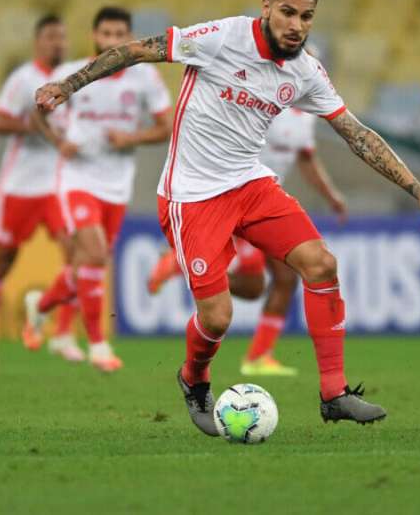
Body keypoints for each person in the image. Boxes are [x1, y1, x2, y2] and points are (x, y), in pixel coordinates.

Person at [36, 0, 420, 433]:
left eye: (306, 17)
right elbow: (138, 50)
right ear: (266, 8)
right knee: (218, 318)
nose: (296, 25)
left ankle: (334, 393)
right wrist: (69, 85)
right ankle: (193, 378)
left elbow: (357, 135)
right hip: (192, 194)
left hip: (249, 184)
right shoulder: (222, 37)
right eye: (287, 12)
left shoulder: (305, 71)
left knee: (321, 264)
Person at [146, 105, 349, 376]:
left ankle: (258, 354)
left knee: (260, 286)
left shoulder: (307, 114)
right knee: (274, 281)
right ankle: (255, 355)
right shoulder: (269, 99)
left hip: (262, 199)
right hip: (232, 196)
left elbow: (306, 159)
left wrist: (331, 195)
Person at [24, 6, 172, 372]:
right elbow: (37, 113)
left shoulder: (145, 79)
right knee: (92, 253)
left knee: (87, 264)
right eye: (105, 34)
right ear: (94, 35)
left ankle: (40, 307)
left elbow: (165, 128)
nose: (111, 41)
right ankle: (98, 345)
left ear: (129, 37)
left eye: (119, 34)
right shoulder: (69, 75)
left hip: (117, 184)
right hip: (77, 178)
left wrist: (130, 137)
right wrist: (58, 141)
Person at [0, 14, 75, 366]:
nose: (57, 43)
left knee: (76, 254)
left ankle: (63, 334)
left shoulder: (72, 79)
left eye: (61, 37)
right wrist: (30, 126)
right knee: (3, 260)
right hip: (20, 185)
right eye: (50, 37)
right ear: (38, 42)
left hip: (58, 185)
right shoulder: (23, 79)